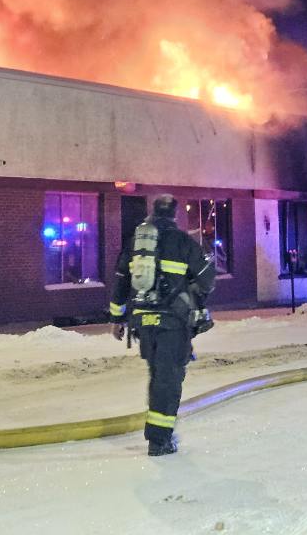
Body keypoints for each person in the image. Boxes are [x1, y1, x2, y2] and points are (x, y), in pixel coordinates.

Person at [110, 194, 215, 457]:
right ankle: (159, 441)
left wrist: (117, 317)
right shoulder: (182, 241)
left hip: (143, 322)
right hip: (172, 323)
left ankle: (158, 432)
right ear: (174, 215)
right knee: (168, 379)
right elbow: (207, 280)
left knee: (158, 375)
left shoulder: (136, 242)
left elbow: (121, 281)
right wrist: (192, 289)